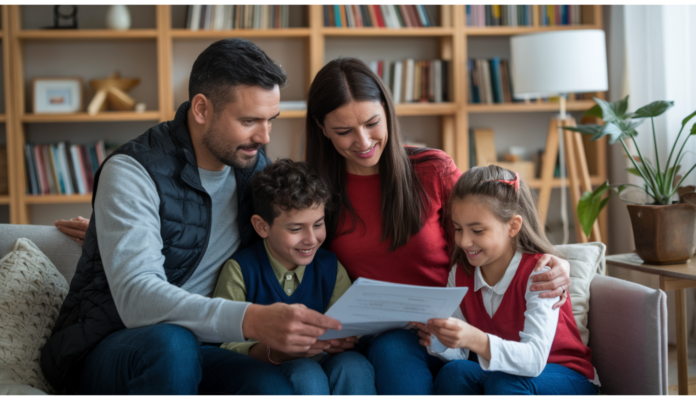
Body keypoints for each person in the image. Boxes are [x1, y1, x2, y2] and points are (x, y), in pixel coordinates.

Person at [42, 39, 343, 395]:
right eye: (249, 120)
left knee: (272, 385)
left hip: (207, 345)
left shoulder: (250, 165)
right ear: (201, 109)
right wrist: (250, 319)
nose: (264, 137)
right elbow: (137, 296)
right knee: (172, 344)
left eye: (270, 120)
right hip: (114, 344)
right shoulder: (132, 171)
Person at [304, 57, 574, 395]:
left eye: (372, 123)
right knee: (393, 348)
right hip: (382, 336)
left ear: (388, 112)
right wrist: (327, 328)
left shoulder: (432, 170)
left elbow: (493, 227)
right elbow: (304, 271)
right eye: (344, 131)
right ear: (322, 128)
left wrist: (558, 261)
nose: (362, 141)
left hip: (456, 328)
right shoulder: (314, 189)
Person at [411, 165, 599, 395]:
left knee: (506, 384)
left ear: (513, 226)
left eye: (477, 231)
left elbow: (534, 359)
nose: (464, 241)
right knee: (455, 372)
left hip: (564, 374)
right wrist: (439, 338)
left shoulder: (540, 273)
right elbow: (459, 353)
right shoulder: (459, 274)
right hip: (502, 373)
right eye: (458, 229)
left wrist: (476, 339)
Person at [212, 158, 376, 394]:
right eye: (296, 229)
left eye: (318, 224)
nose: (311, 239)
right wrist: (278, 350)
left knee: (355, 366)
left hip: (328, 361)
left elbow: (346, 328)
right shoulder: (240, 269)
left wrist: (345, 340)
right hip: (270, 368)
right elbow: (226, 344)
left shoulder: (330, 267)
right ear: (262, 227)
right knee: (304, 371)